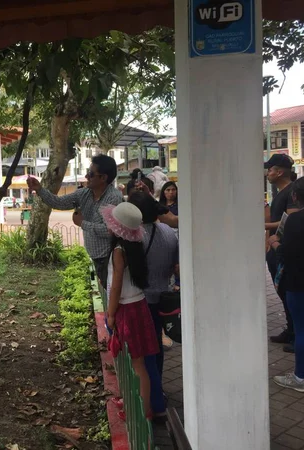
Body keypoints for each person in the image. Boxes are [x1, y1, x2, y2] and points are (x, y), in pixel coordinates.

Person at [26, 154, 121, 286]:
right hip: (96, 256)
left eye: (91, 174)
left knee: (114, 293)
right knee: (107, 291)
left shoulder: (113, 198)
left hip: (111, 257)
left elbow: (109, 231)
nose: (87, 176)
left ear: (103, 178)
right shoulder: (85, 193)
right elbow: (59, 202)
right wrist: (40, 189)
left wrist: (82, 223)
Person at [101, 202, 158, 418]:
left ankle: (143, 412)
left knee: (136, 364)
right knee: (137, 362)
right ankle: (137, 404)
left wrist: (111, 313)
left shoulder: (118, 251)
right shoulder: (134, 246)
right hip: (139, 305)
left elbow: (115, 286)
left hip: (127, 308)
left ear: (117, 228)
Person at [128, 191, 179, 418]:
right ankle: (157, 390)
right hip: (164, 297)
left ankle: (155, 402)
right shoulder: (169, 231)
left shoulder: (135, 236)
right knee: (156, 348)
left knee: (145, 351)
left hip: (142, 300)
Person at [269, 176, 304, 392]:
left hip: (300, 283)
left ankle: (301, 377)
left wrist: (274, 243)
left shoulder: (296, 220)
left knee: (303, 329)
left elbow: (286, 254)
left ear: (295, 196)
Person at [265, 154, 298, 350]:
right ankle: (291, 330)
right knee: (282, 291)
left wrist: (263, 224)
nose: (267, 173)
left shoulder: (292, 192)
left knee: (288, 291)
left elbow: (292, 220)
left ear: (279, 172)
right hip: (275, 249)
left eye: (270, 169)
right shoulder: (280, 192)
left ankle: (296, 334)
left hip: (285, 250)